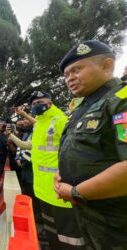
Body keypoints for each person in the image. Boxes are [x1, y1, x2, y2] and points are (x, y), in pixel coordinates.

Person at [55, 40, 127, 249]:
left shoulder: (120, 100)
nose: (70, 79)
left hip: (117, 223)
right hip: (90, 216)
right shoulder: (83, 107)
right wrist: (62, 174)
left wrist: (75, 192)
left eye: (76, 70)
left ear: (106, 65)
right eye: (66, 75)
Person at [30, 90, 85, 249]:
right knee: (51, 232)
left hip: (60, 191)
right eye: (34, 104)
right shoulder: (38, 124)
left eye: (40, 102)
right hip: (42, 189)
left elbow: (75, 151)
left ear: (50, 103)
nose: (37, 106)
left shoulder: (61, 120)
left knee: (69, 239)